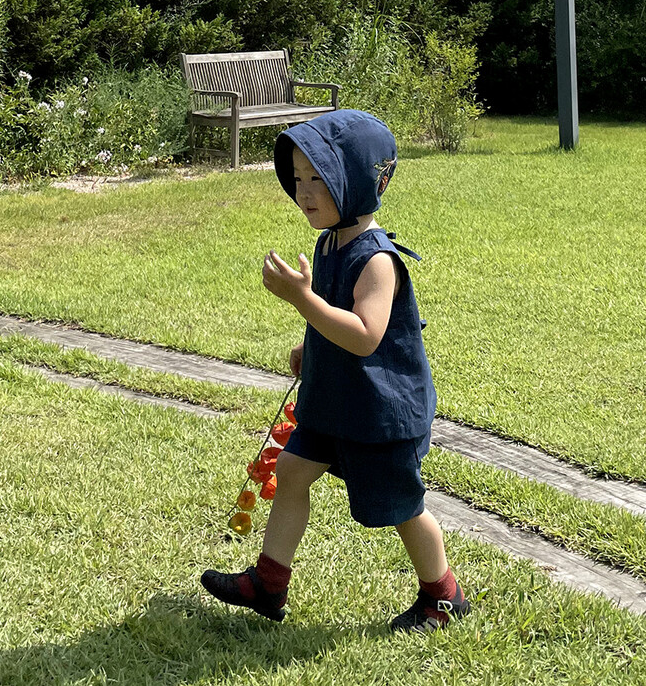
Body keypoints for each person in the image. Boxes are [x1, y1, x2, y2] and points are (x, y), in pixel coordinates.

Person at [201, 109, 470, 633]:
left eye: (318, 179)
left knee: (402, 506)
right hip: (334, 398)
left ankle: (444, 596)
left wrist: (302, 300)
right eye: (298, 179)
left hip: (379, 412)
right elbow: (333, 315)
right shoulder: (329, 243)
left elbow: (365, 334)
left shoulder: (377, 260)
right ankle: (269, 583)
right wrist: (311, 346)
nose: (303, 192)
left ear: (357, 182)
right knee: (292, 471)